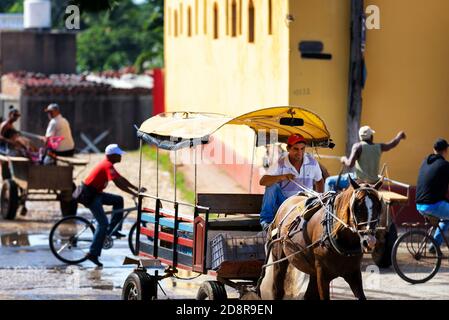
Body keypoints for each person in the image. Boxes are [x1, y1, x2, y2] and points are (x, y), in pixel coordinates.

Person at [81, 144, 140, 267]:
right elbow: (118, 183)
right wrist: (133, 193)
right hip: (90, 196)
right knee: (102, 223)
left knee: (118, 200)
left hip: (96, 194)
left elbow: (121, 178)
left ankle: (114, 230)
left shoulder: (109, 165)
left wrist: (136, 189)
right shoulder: (107, 165)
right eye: (118, 154)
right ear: (112, 155)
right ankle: (92, 254)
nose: (120, 156)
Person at [259, 134, 324, 231]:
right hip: (285, 204)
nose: (300, 153)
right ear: (288, 149)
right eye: (296, 149)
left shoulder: (312, 162)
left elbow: (319, 181)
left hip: (304, 204)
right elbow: (263, 181)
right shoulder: (281, 163)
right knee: (271, 187)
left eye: (302, 149)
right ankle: (266, 222)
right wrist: (284, 177)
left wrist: (320, 199)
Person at [325, 126, 406, 191]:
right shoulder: (379, 147)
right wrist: (399, 136)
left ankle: (328, 210)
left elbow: (350, 164)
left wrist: (344, 159)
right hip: (374, 181)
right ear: (371, 136)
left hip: (359, 180)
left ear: (361, 137)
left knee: (329, 181)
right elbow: (391, 144)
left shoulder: (358, 146)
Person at [416, 138, 449, 252]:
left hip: (419, 205)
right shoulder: (444, 165)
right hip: (433, 205)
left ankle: (434, 245)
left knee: (446, 219)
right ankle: (434, 245)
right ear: (445, 151)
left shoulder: (425, 161)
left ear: (434, 149)